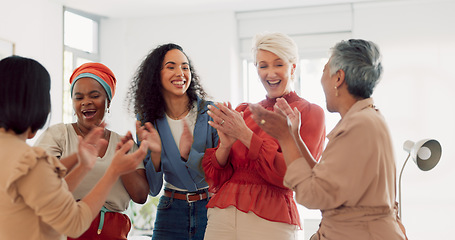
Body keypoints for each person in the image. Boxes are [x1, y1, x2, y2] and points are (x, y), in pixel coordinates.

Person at [249, 39, 408, 240]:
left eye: (325, 70)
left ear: (338, 78)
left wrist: (285, 138)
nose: (322, 79)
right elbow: (324, 178)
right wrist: (294, 136)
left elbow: (313, 194)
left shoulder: (359, 126)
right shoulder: (366, 119)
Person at [0, 56, 148, 240]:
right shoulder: (31, 160)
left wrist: (81, 162)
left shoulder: (18, 157)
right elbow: (75, 222)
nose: (86, 102)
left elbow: (48, 188)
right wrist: (113, 172)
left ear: (108, 101)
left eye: (94, 96)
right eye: (78, 97)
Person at [202, 32, 326, 240]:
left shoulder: (309, 113)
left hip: (270, 221)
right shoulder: (243, 112)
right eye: (263, 65)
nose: (270, 73)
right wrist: (225, 146)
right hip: (221, 217)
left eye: (278, 64)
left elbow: (292, 175)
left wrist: (245, 134)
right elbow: (216, 178)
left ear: (293, 67)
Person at [128, 43, 219, 239]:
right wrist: (157, 154)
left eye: (185, 67)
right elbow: (152, 189)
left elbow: (222, 172)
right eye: (171, 67)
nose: (180, 73)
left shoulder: (210, 112)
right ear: (156, 75)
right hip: (170, 210)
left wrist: (190, 156)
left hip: (211, 209)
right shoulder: (147, 120)